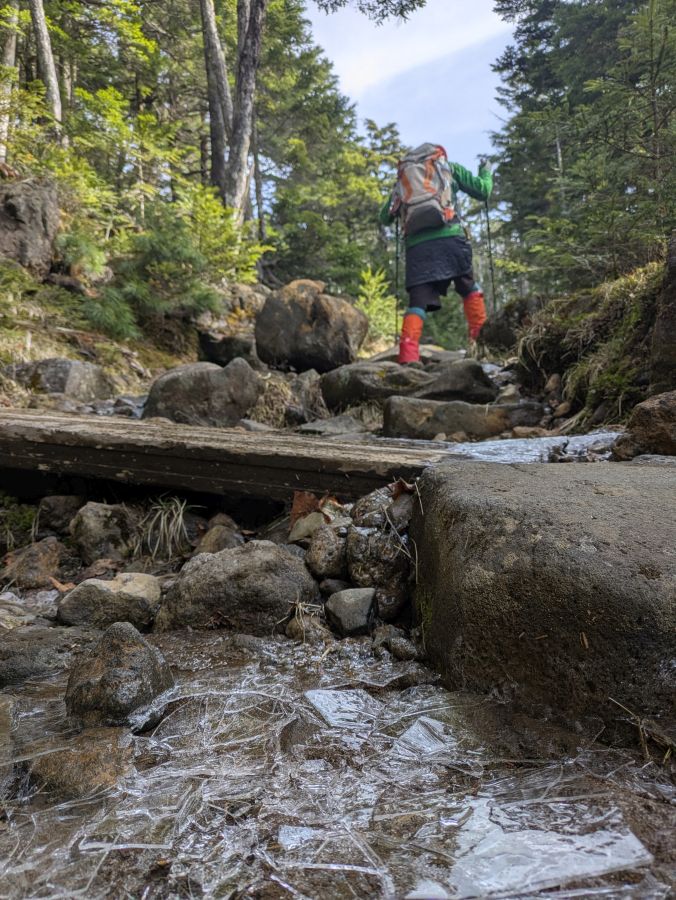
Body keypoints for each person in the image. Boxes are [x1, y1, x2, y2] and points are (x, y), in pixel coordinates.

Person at [380, 148, 493, 364]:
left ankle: (408, 358)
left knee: (417, 303)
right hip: (451, 239)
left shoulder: (403, 181)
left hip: (418, 249)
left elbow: (385, 216)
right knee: (468, 288)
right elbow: (483, 191)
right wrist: (485, 171)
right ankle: (481, 348)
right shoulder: (448, 168)